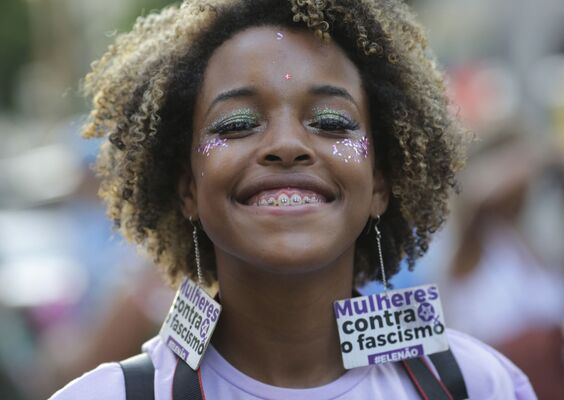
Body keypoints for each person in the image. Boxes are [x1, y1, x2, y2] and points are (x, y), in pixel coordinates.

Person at [51, 0, 536, 398]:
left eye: (331, 122)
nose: (287, 145)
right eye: (237, 124)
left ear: (381, 184)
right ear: (187, 189)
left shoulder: (476, 385)